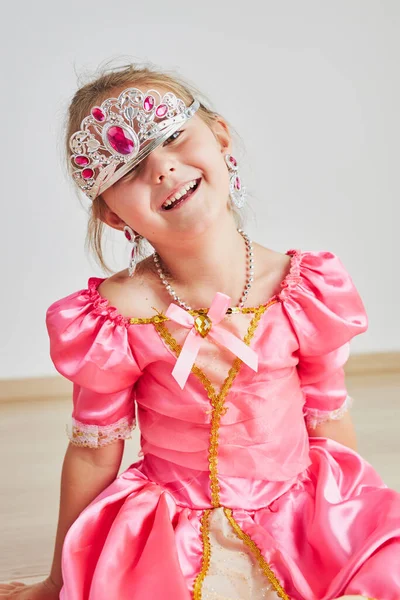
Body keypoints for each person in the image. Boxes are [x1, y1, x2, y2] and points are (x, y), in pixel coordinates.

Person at [1, 63, 399, 600]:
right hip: (173, 530)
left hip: (296, 515)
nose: (161, 169)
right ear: (114, 216)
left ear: (220, 137)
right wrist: (56, 581)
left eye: (171, 137)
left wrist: (350, 532)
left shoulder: (303, 291)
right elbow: (95, 452)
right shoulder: (116, 317)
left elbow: (328, 420)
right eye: (129, 168)